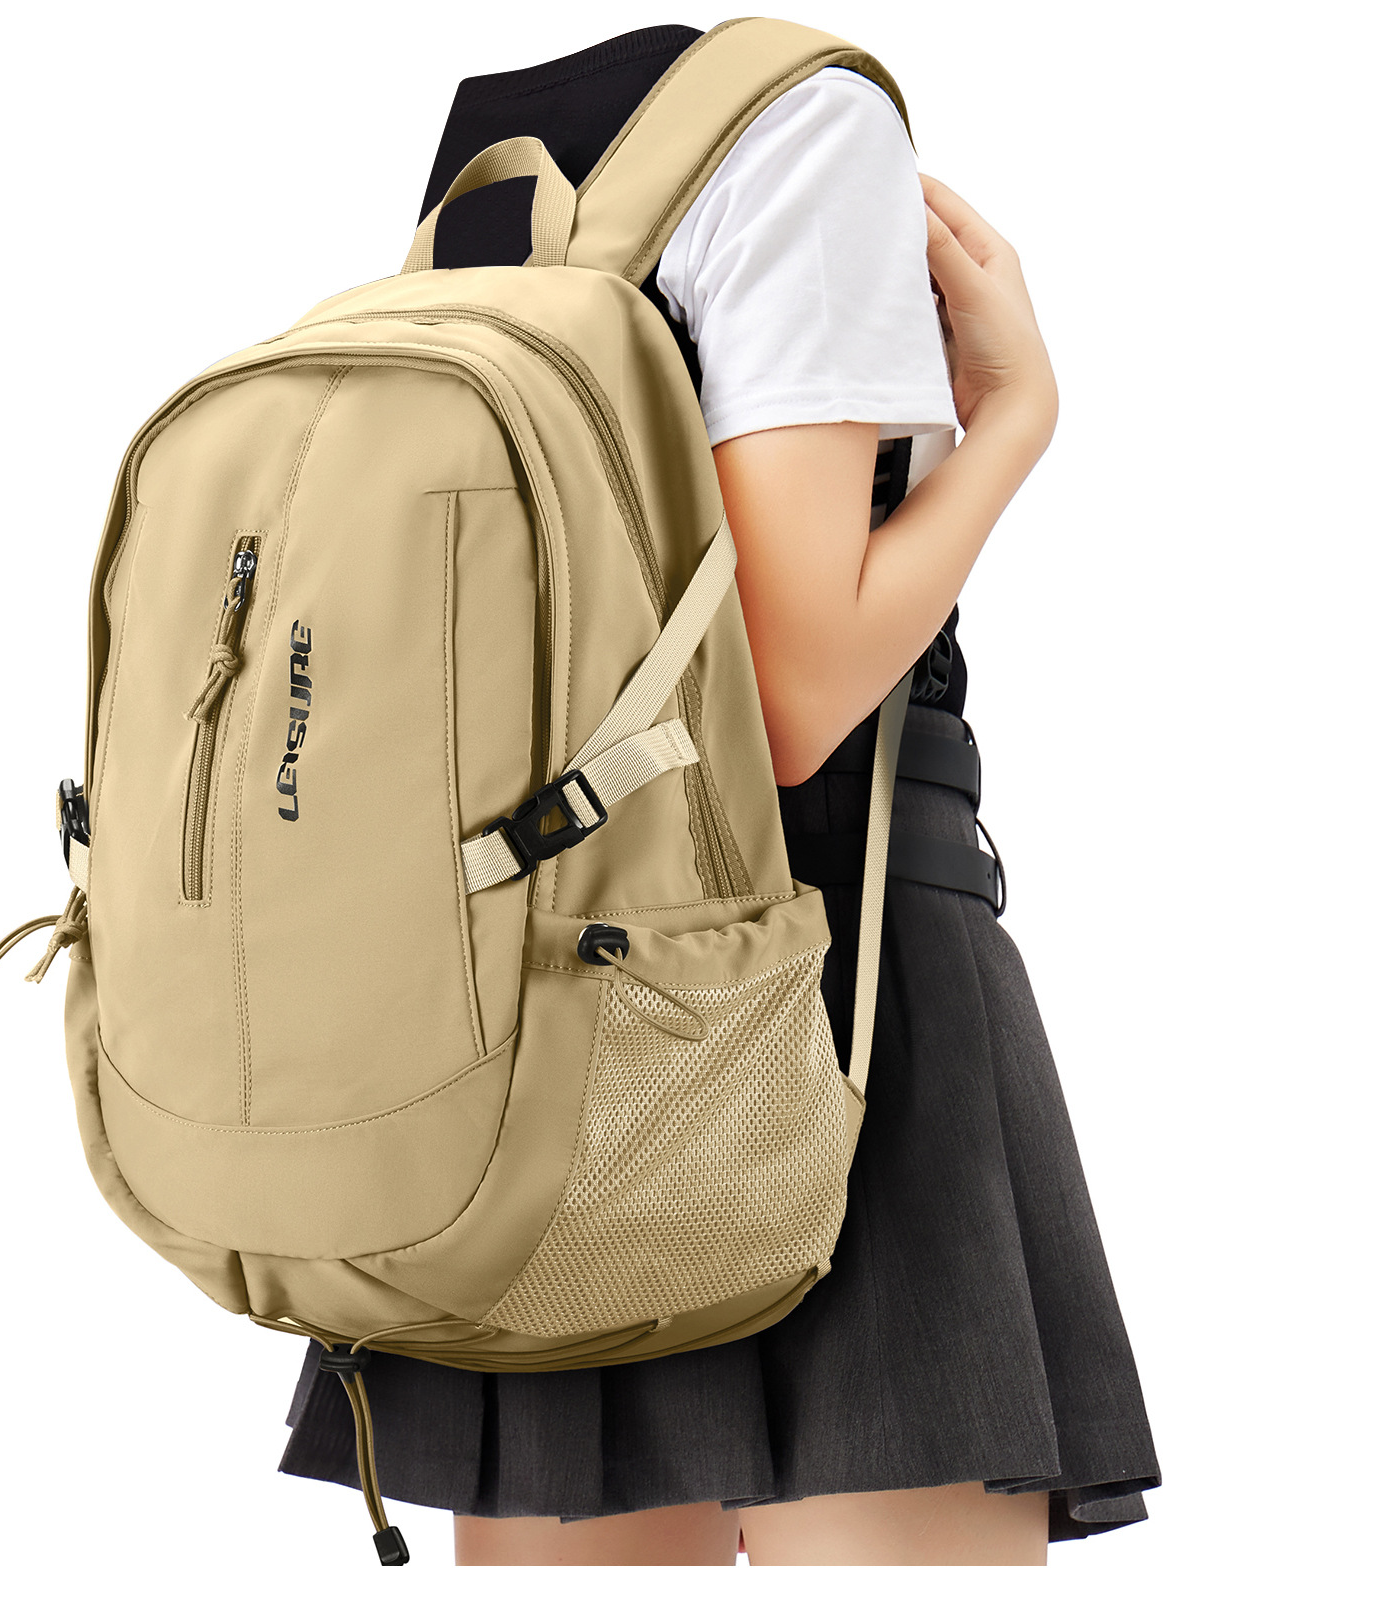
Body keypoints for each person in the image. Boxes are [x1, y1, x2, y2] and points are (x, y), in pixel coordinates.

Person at [279, 24, 1160, 1566]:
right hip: (824, 962)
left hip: (527, 981)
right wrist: (1016, 421)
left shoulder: (499, 169)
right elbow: (793, 703)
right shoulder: (800, 120)